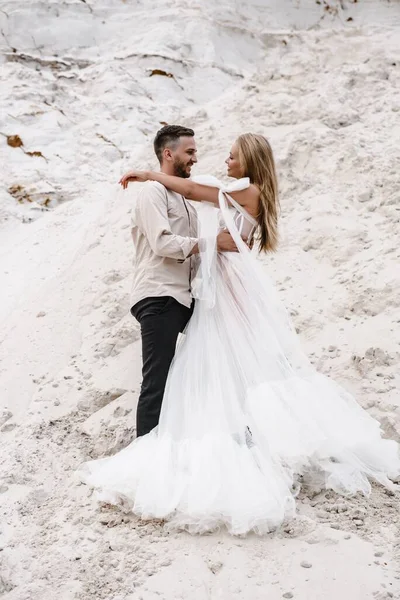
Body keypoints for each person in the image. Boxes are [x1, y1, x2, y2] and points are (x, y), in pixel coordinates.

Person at [77, 133, 400, 535]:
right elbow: (195, 198)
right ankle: (229, 437)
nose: (224, 160)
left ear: (249, 161)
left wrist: (148, 174)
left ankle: (231, 442)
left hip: (228, 285)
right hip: (210, 285)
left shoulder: (248, 190)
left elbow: (195, 189)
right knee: (223, 364)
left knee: (232, 364)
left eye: (232, 156)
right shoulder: (238, 191)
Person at [127, 125, 239, 438]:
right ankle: (147, 455)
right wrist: (212, 241)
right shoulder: (152, 193)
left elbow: (199, 249)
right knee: (157, 380)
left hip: (186, 297)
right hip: (159, 296)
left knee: (214, 360)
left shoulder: (187, 200)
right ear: (168, 153)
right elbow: (163, 243)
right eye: (189, 152)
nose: (195, 159)